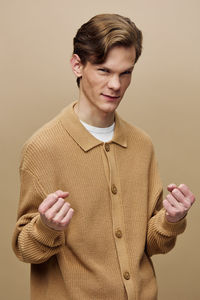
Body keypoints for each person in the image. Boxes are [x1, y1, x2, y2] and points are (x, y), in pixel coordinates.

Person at [12, 13, 195, 300]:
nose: (116, 85)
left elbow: (151, 245)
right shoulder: (43, 147)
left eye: (126, 72)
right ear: (77, 65)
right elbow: (25, 250)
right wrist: (46, 228)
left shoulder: (141, 144)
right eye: (104, 71)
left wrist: (172, 219)